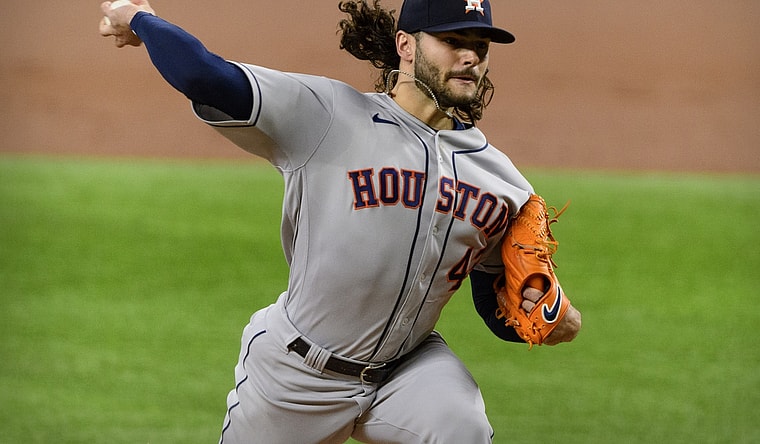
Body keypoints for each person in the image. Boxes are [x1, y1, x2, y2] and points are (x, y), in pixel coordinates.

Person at [99, 0, 581, 442]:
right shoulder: (327, 116)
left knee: (461, 425)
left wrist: (547, 313)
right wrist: (139, 17)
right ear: (406, 47)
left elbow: (495, 303)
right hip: (296, 372)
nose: (471, 57)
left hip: (408, 371)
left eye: (479, 46)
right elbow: (208, 78)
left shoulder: (504, 182)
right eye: (454, 42)